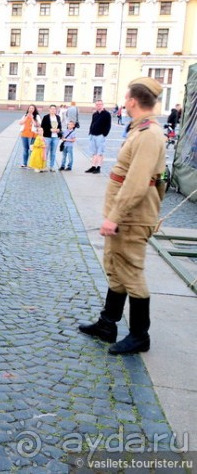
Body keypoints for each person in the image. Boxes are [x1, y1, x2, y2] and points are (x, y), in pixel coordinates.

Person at [78, 77, 165, 355]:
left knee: (132, 271)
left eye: (126, 98)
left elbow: (137, 183)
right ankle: (107, 324)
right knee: (116, 268)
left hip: (131, 216)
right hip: (125, 215)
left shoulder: (149, 134)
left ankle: (140, 336)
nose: (124, 103)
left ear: (131, 101)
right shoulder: (140, 130)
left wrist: (114, 216)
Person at [86, 100, 112, 174]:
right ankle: (93, 166)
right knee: (94, 152)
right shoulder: (95, 114)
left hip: (100, 136)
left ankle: (98, 167)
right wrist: (90, 132)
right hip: (92, 135)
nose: (98, 106)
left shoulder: (107, 114)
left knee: (100, 153)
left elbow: (108, 125)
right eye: (97, 104)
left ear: (103, 105)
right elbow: (92, 123)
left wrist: (104, 134)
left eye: (100, 104)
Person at [41, 105, 62, 172]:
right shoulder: (46, 117)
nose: (53, 110)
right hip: (47, 137)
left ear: (56, 110)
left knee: (53, 153)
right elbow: (42, 127)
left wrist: (58, 130)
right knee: (46, 152)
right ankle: (44, 166)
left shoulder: (58, 117)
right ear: (49, 110)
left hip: (56, 137)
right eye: (52, 109)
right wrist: (50, 130)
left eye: (54, 109)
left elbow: (60, 126)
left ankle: (52, 166)